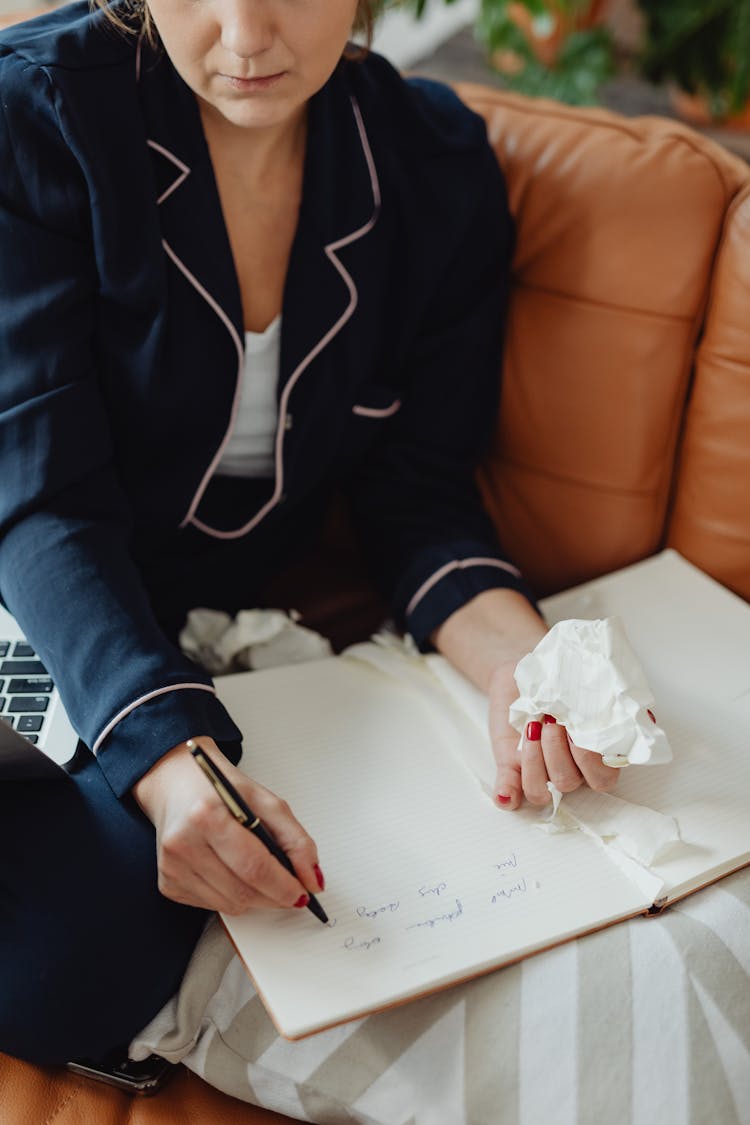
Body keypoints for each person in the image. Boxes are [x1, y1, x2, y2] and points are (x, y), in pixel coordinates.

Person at [0, 0, 618, 1070]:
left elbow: (418, 497)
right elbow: (41, 498)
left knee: (113, 939)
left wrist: (525, 662)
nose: (246, 35)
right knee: (78, 955)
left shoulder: (433, 168)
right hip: (34, 584)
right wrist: (166, 753)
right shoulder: (32, 116)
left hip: (192, 624)